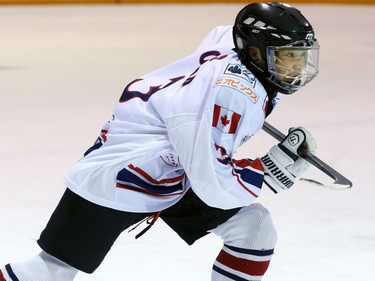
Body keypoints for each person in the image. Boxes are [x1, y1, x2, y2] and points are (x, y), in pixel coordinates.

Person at [0, 2, 320, 280]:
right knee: (48, 272)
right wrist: (269, 172)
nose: (295, 69)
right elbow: (212, 183)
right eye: (287, 58)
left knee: (253, 229)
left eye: (298, 58)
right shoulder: (232, 94)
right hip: (122, 174)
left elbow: (231, 31)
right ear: (253, 52)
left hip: (171, 168)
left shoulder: (231, 43)